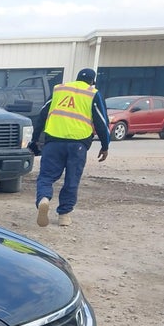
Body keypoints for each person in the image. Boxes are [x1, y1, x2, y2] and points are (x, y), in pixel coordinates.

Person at [28, 68, 110, 227]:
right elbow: (101, 122)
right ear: (92, 81)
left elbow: (43, 114)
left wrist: (35, 139)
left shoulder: (59, 89)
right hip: (78, 144)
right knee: (72, 179)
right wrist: (105, 145)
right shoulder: (92, 93)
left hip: (53, 142)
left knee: (46, 176)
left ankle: (44, 199)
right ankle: (64, 215)